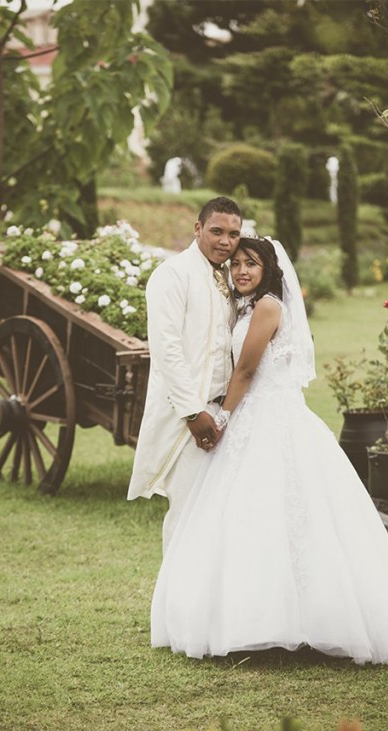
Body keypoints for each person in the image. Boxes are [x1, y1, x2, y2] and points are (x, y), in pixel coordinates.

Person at [150, 237, 388, 663]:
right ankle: (258, 619)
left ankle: (305, 622)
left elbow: (246, 371)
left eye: (251, 263)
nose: (242, 271)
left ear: (268, 268)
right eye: (236, 265)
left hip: (271, 418)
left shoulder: (267, 307)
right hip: (254, 416)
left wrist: (222, 419)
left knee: (294, 516)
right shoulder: (247, 307)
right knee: (252, 518)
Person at [128, 197, 241, 552]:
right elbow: (167, 350)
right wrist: (194, 412)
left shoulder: (232, 277)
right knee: (187, 510)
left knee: (221, 515)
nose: (226, 241)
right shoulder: (172, 275)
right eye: (217, 231)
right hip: (189, 414)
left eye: (234, 234)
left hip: (227, 414)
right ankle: (175, 603)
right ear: (197, 229)